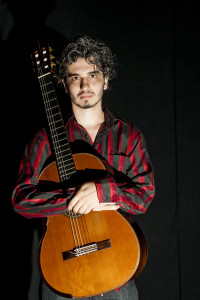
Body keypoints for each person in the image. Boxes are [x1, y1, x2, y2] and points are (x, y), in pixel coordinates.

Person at [12, 35, 155, 300]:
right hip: (61, 273)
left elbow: (144, 196)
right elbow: (21, 200)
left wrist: (102, 192)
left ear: (106, 80)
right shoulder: (44, 140)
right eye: (75, 77)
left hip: (118, 271)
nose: (84, 84)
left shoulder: (129, 135)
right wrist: (75, 199)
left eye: (93, 75)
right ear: (65, 85)